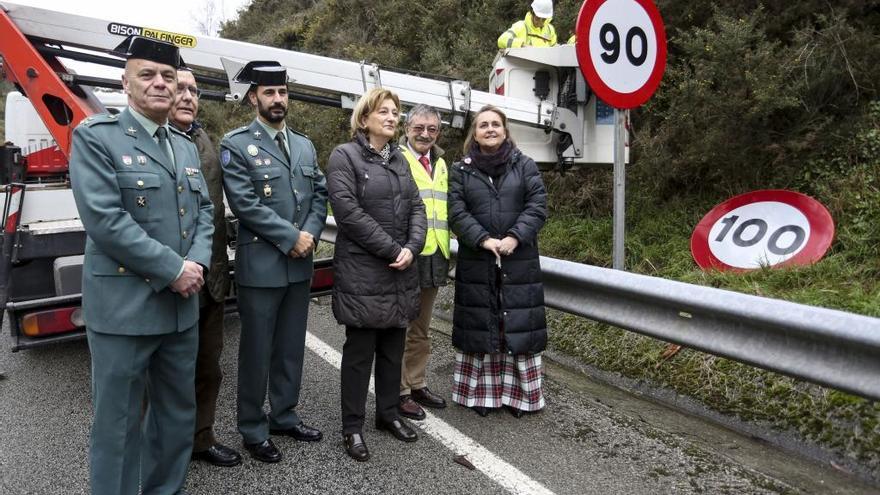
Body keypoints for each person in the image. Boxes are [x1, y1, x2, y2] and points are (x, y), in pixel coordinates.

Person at [69, 36, 214, 494]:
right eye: (147, 75)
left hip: (180, 311)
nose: (160, 84)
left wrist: (197, 263)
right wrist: (175, 269)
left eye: (168, 77)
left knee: (175, 419)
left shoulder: (186, 145)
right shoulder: (97, 137)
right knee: (118, 425)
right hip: (125, 310)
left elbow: (206, 212)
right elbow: (105, 221)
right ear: (126, 83)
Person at [220, 61, 328, 463]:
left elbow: (320, 192)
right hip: (261, 266)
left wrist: (311, 234)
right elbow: (243, 203)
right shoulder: (236, 143)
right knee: (256, 351)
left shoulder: (303, 144)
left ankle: (284, 414)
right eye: (269, 93)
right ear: (254, 98)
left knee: (289, 348)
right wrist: (290, 237)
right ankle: (252, 426)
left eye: (282, 92)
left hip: (299, 265)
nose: (277, 99)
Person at [327, 88, 426, 462]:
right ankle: (352, 427)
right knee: (359, 353)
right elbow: (348, 213)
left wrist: (411, 248)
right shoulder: (345, 156)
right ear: (364, 118)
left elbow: (416, 206)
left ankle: (388, 414)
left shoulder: (399, 158)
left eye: (395, 111)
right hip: (364, 271)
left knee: (392, 348)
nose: (392, 117)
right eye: (383, 111)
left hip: (400, 270)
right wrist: (392, 249)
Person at [447, 105, 548, 419]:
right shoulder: (460, 170)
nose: (490, 129)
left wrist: (515, 237)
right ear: (474, 134)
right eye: (483, 125)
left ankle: (520, 398)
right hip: (478, 261)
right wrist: (483, 239)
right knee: (483, 327)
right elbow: (456, 212)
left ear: (505, 130)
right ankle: (482, 396)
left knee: (514, 326)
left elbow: (537, 205)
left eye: (495, 124)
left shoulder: (526, 165)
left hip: (519, 260)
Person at [168, 68, 241, 467]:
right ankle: (167, 449)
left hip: (212, 276)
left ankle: (201, 438)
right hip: (172, 280)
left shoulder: (203, 139)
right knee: (168, 373)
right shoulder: (156, 141)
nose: (186, 96)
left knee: (208, 367)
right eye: (179, 88)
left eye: (193, 90)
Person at [396, 104, 449, 421]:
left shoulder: (441, 163)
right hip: (407, 256)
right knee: (400, 328)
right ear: (407, 129)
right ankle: (399, 391)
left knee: (422, 329)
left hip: (435, 256)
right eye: (419, 127)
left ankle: (417, 383)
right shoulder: (396, 160)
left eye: (432, 129)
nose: (425, 134)